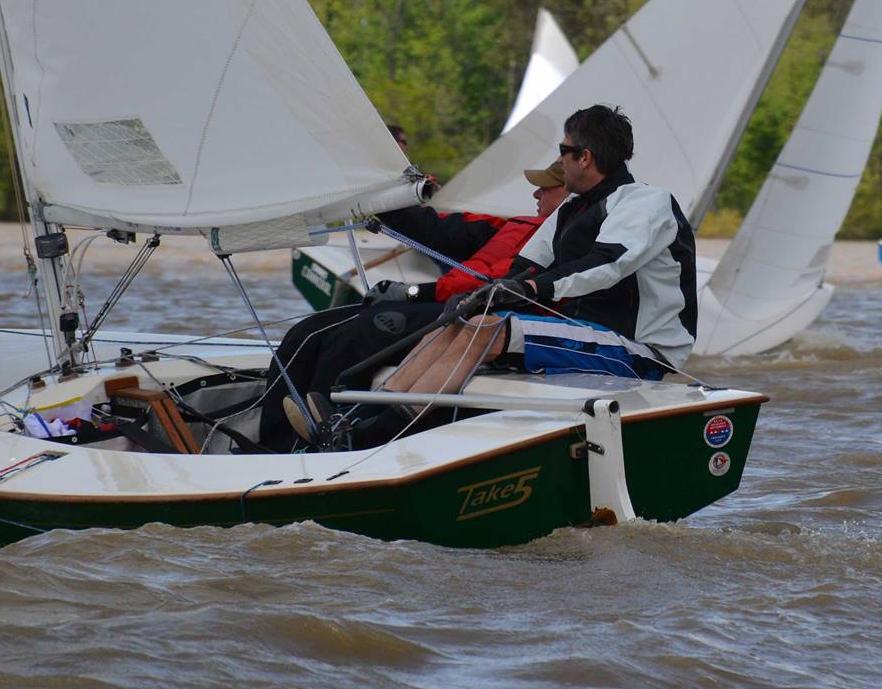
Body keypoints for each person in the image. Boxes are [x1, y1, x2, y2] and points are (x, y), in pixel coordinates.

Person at [381, 103, 698, 395]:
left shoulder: (646, 201)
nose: (559, 160)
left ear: (584, 157)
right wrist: (476, 297)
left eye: (563, 150)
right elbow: (526, 267)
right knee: (457, 320)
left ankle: (390, 425)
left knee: (482, 330)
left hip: (641, 351)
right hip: (591, 333)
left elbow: (607, 263)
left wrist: (531, 287)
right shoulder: (572, 209)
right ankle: (374, 412)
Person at [264, 163, 568, 449]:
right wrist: (387, 197)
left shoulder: (565, 237)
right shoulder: (516, 225)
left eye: (546, 188)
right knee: (306, 331)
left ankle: (320, 441)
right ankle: (273, 442)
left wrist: (414, 292)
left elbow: (498, 281)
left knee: (361, 333)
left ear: (570, 194)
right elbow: (437, 230)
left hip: (480, 311)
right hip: (449, 304)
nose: (535, 194)